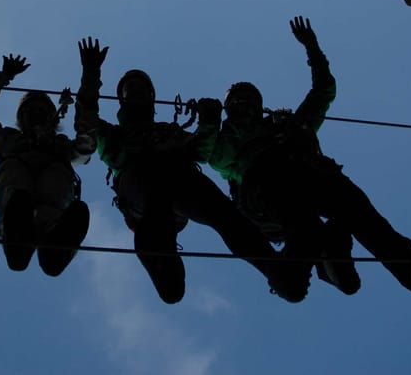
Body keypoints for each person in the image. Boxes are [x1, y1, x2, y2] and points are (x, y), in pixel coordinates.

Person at [210, 16, 411, 298]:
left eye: (250, 98)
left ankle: (407, 267)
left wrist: (312, 49)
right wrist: (215, 123)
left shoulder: (286, 128)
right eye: (238, 100)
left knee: (346, 199)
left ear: (260, 103)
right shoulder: (226, 140)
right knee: (291, 197)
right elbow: (216, 159)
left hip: (301, 179)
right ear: (229, 108)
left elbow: (323, 91)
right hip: (263, 198)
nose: (245, 104)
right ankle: (314, 262)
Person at [75, 37, 295, 304]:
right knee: (158, 185)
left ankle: (275, 269)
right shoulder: (114, 135)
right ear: (120, 99)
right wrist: (91, 74)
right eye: (128, 89)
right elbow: (86, 121)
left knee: (223, 212)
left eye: (140, 88)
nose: (135, 92)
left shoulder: (170, 131)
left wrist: (209, 122)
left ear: (151, 97)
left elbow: (201, 152)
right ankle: (162, 259)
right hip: (142, 188)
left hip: (179, 185)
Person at [0, 54, 93, 276]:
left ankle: (53, 243)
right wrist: (3, 77)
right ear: (21, 118)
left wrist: (84, 117)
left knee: (55, 176)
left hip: (54, 176)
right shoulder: (8, 139)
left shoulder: (60, 145)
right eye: (29, 110)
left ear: (51, 117)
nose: (35, 113)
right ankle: (18, 234)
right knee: (16, 183)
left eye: (41, 110)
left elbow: (85, 148)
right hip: (16, 173)